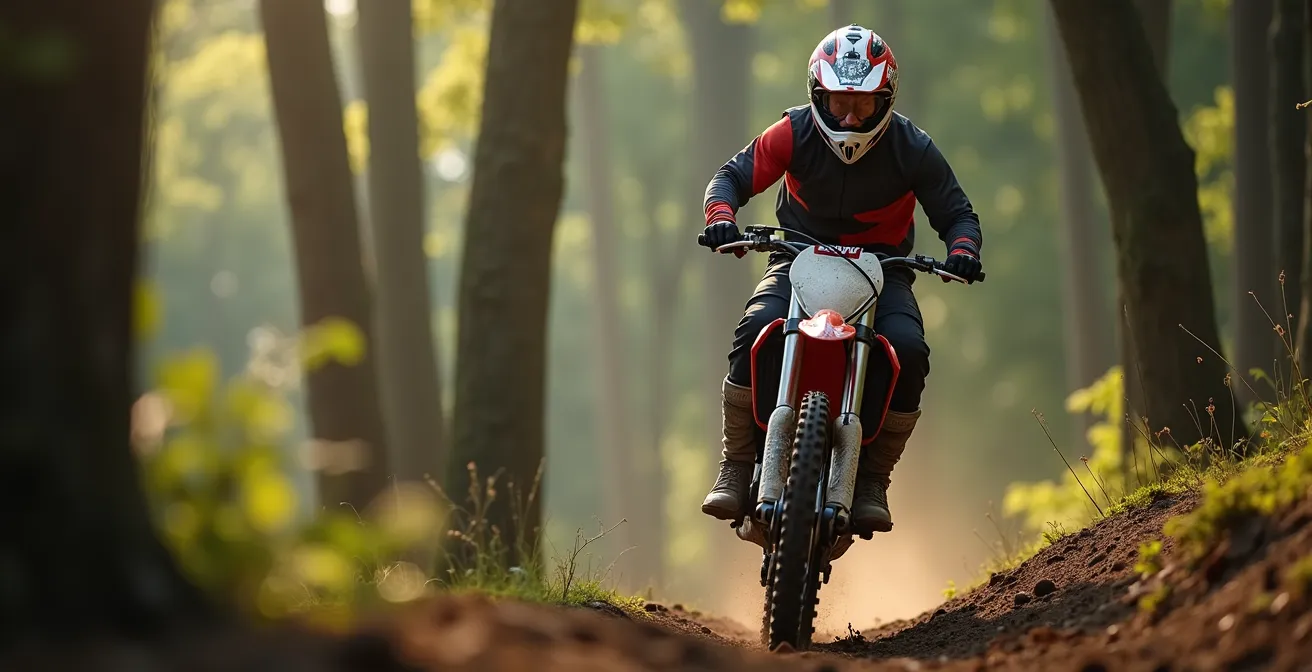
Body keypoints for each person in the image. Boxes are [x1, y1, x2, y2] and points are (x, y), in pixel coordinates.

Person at [698, 24, 984, 534]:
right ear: (817, 95)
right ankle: (737, 464)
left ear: (887, 99)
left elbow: (958, 214)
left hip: (884, 272)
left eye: (865, 104)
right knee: (755, 327)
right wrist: (721, 216)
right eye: (838, 102)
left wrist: (962, 252)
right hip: (796, 259)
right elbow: (730, 178)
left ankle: (873, 477)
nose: (850, 117)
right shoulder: (791, 132)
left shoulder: (913, 148)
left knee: (909, 351)